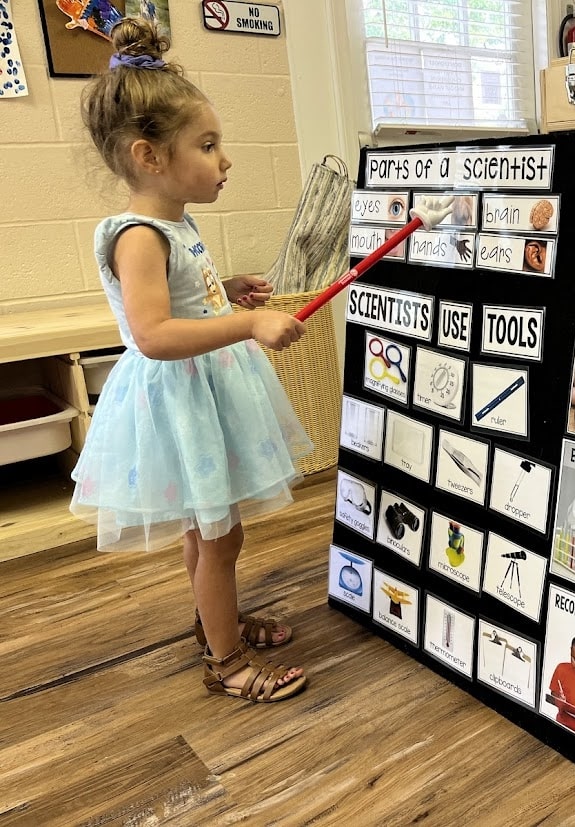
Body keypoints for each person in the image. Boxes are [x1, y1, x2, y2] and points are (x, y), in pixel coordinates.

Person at [70, 18, 309, 703]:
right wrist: (248, 321)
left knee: (207, 530)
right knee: (221, 537)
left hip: (205, 389)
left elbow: (184, 299)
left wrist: (224, 290)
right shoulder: (139, 235)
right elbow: (152, 334)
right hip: (179, 396)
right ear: (149, 157)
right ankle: (226, 659)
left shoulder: (174, 223)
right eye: (206, 146)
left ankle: (216, 621)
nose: (224, 160)